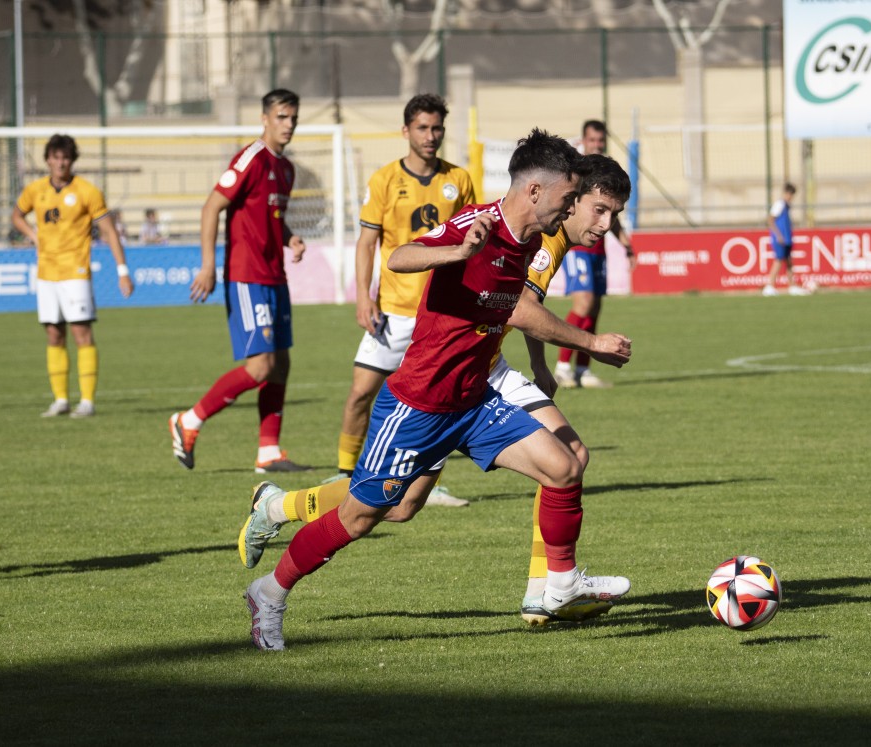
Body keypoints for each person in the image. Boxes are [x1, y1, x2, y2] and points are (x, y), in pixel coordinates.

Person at [241, 130, 634, 651]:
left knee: (564, 465)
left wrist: (541, 361)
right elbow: (400, 257)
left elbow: (515, 303)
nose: (573, 212)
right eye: (570, 200)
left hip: (474, 401)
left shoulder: (534, 240)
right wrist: (456, 252)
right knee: (365, 516)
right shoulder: (476, 226)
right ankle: (269, 592)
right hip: (418, 406)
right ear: (536, 191)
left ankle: (558, 585)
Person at [331, 93, 477, 507]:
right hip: (393, 311)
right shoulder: (384, 180)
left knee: (439, 399)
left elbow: (472, 241)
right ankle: (344, 474)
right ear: (405, 131)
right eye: (423, 128)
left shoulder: (460, 180)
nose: (431, 136)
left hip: (443, 312)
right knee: (361, 392)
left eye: (437, 129)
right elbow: (367, 243)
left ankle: (424, 485)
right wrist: (363, 296)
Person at [170, 89, 307, 473]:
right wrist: (208, 265)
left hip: (274, 276)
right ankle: (190, 419)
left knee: (280, 363)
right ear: (265, 118)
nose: (288, 124)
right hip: (247, 277)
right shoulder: (250, 158)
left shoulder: (286, 168)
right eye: (282, 117)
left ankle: (268, 452)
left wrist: (289, 237)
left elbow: (272, 219)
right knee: (261, 365)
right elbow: (212, 206)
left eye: (293, 118)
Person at [12, 134, 134, 419]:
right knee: (54, 334)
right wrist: (33, 235)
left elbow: (109, 232)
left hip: (75, 272)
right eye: (55, 157)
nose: (60, 162)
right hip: (46, 273)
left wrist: (123, 271)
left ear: (72, 160)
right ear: (48, 160)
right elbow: (16, 215)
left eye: (65, 157)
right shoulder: (35, 190)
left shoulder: (87, 191)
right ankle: (61, 399)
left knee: (82, 333)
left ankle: (88, 401)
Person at [553, 119, 635, 389]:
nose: (597, 145)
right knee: (584, 304)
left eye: (601, 141)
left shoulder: (607, 175)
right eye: (593, 141)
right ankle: (563, 367)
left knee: (595, 307)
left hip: (598, 251)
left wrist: (625, 245)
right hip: (578, 248)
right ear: (584, 141)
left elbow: (613, 217)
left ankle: (582, 370)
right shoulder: (578, 174)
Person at [763, 183, 807, 296]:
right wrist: (778, 235)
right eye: (789, 194)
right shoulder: (779, 204)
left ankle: (792, 286)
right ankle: (769, 286)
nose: (790, 197)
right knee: (778, 260)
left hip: (786, 238)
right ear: (785, 193)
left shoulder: (787, 206)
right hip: (780, 239)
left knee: (788, 262)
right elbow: (770, 220)